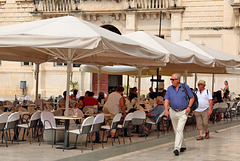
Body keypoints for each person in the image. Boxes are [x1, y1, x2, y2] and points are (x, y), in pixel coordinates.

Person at [164, 73, 194, 156]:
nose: (171, 81)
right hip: (173, 111)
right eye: (171, 79)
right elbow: (166, 100)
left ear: (178, 80)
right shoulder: (169, 89)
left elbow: (192, 97)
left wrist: (189, 107)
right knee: (176, 130)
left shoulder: (185, 87)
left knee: (179, 129)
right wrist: (166, 110)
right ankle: (183, 145)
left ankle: (177, 148)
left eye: (173, 79)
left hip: (183, 112)